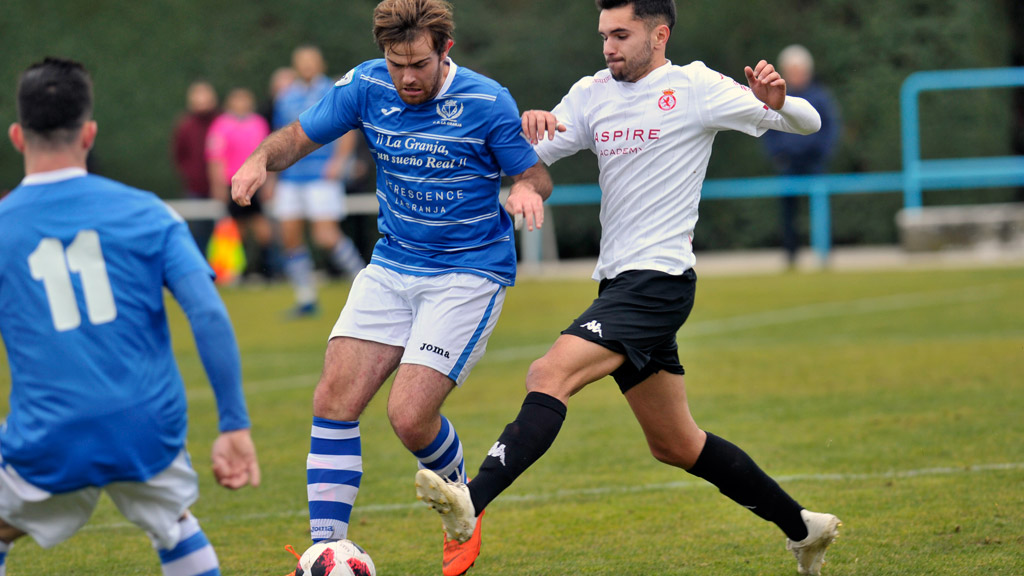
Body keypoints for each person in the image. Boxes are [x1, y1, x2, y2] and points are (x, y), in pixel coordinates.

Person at [414, 2, 842, 575]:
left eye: (621, 34)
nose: (609, 46)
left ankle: (472, 499)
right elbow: (526, 159)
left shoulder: (695, 87)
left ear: (659, 34)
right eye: (603, 35)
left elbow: (808, 122)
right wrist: (525, 134)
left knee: (549, 373)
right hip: (619, 284)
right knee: (676, 444)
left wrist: (778, 102)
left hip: (659, 282)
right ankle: (802, 527)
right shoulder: (593, 94)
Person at [230, 1, 551, 574]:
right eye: (396, 62)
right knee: (334, 398)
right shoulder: (365, 84)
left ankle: (464, 508)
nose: (407, 77)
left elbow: (533, 171)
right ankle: (326, 549)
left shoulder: (486, 100)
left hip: (466, 273)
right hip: (392, 264)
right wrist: (260, 159)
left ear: (445, 49)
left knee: (408, 417)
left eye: (420, 64)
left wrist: (527, 190)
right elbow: (301, 136)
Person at [0, 57, 259, 576]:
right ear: (90, 133)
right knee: (174, 522)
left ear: (17, 137)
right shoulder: (149, 212)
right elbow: (207, 312)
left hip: (50, 433)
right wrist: (233, 423)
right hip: (148, 427)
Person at [272, 45, 367, 317]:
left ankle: (363, 284)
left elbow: (347, 128)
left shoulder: (332, 89)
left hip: (321, 177)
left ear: (320, 63)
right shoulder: (286, 96)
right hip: (292, 178)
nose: (307, 66)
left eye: (311, 61)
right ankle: (306, 299)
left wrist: (339, 162)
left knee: (326, 236)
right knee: (289, 238)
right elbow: (280, 135)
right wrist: (273, 175)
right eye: (301, 61)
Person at [762, 44, 841, 268]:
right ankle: (790, 255)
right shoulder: (776, 98)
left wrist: (822, 154)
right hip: (788, 164)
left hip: (814, 163)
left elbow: (830, 128)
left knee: (820, 208)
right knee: (788, 212)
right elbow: (767, 128)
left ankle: (824, 253)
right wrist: (777, 155)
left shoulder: (820, 96)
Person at [207, 87, 278, 281]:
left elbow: (269, 155)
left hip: (255, 182)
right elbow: (215, 159)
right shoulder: (221, 125)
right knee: (236, 230)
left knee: (262, 228)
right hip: (233, 182)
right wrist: (218, 186)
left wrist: (270, 182)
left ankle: (265, 270)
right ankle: (238, 272)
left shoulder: (258, 124)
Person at [171, 80, 220, 250]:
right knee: (197, 230)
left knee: (222, 230)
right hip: (196, 187)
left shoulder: (221, 122)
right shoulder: (185, 125)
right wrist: (190, 175)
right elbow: (179, 155)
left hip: (222, 186)